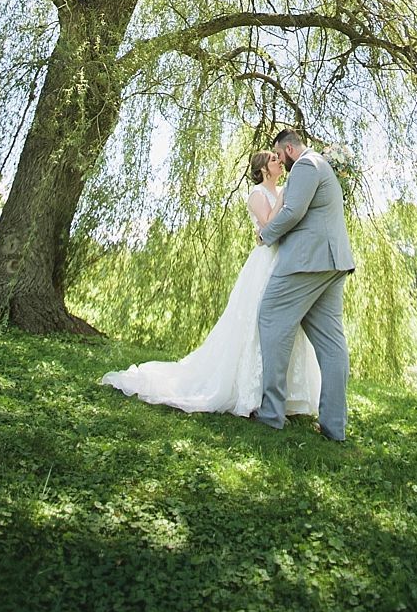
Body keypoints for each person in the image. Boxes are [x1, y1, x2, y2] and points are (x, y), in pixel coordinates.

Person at [100, 150, 320, 417]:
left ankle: (286, 396)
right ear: (263, 169)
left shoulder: (283, 190)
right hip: (264, 263)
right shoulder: (257, 195)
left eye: (277, 158)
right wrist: (284, 198)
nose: (279, 162)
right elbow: (268, 228)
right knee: (256, 321)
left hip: (284, 261)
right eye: (273, 160)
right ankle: (251, 392)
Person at [253, 128, 355, 441]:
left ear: (289, 149)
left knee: (271, 318)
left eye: (279, 154)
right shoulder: (321, 166)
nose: (281, 162)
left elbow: (292, 211)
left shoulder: (307, 166)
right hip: (332, 261)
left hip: (307, 261)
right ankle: (333, 427)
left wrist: (265, 235)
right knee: (331, 343)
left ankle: (271, 414)